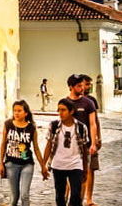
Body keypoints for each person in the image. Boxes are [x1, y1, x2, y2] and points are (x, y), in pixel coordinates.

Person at [40, 99, 89, 206]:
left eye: (63, 110)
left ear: (71, 111)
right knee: (60, 196)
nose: (60, 113)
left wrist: (85, 167)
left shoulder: (81, 127)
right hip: (58, 165)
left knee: (76, 196)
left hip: (76, 164)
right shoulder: (53, 126)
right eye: (59, 110)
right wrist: (43, 165)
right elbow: (49, 145)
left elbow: (84, 150)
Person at [65, 75, 100, 206]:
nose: (82, 88)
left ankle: (80, 201)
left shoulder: (88, 103)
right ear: (71, 87)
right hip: (69, 145)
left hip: (85, 145)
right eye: (78, 86)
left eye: (82, 85)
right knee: (68, 173)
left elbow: (93, 123)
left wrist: (93, 142)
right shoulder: (65, 103)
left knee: (85, 174)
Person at [0, 100, 38, 206]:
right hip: (11, 164)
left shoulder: (31, 128)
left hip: (27, 164)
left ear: (26, 113)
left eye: (19, 110)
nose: (16, 113)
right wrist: (1, 163)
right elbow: (3, 144)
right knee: (14, 197)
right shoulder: (8, 124)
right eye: (15, 110)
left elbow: (36, 148)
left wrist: (43, 166)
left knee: (25, 195)